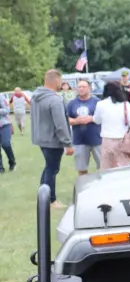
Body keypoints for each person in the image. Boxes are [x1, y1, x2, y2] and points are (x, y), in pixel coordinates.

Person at [30, 69, 75, 208]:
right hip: (52, 141)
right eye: (60, 81)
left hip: (41, 138)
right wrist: (68, 144)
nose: (61, 84)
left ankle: (43, 196)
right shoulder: (54, 99)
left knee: (48, 168)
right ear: (56, 80)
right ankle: (50, 200)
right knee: (52, 169)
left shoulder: (35, 96)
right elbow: (60, 124)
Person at [95, 80, 130, 169]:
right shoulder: (125, 104)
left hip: (107, 140)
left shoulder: (100, 104)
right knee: (124, 168)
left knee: (107, 169)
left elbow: (97, 120)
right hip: (123, 141)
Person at [66, 79, 102, 175]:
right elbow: (66, 120)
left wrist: (92, 119)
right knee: (81, 169)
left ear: (89, 88)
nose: (81, 89)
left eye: (84, 87)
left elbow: (104, 118)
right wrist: (76, 121)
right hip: (79, 141)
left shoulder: (98, 102)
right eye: (79, 87)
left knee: (103, 167)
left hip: (98, 140)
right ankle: (84, 187)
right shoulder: (71, 104)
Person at [0, 95, 14, 172]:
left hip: (4, 125)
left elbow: (7, 109)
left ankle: (12, 162)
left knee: (6, 144)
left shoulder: (0, 97)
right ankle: (0, 168)